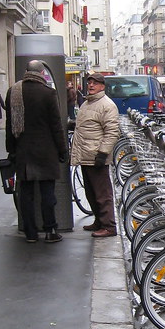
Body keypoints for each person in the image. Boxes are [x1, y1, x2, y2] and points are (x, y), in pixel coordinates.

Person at [5, 60, 67, 244]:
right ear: (41, 73)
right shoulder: (48, 93)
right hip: (46, 151)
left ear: (26, 71)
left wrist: (11, 150)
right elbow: (56, 126)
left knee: (26, 193)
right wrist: (63, 149)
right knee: (48, 193)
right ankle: (50, 230)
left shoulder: (14, 91)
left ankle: (30, 233)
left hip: (23, 150)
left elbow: (10, 126)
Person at [70, 71, 121, 236]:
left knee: (102, 194)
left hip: (96, 156)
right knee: (91, 192)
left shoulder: (107, 105)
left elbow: (112, 132)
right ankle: (99, 221)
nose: (91, 85)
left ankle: (109, 226)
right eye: (89, 82)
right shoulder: (87, 103)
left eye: (95, 83)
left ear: (102, 86)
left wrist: (103, 153)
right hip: (85, 155)